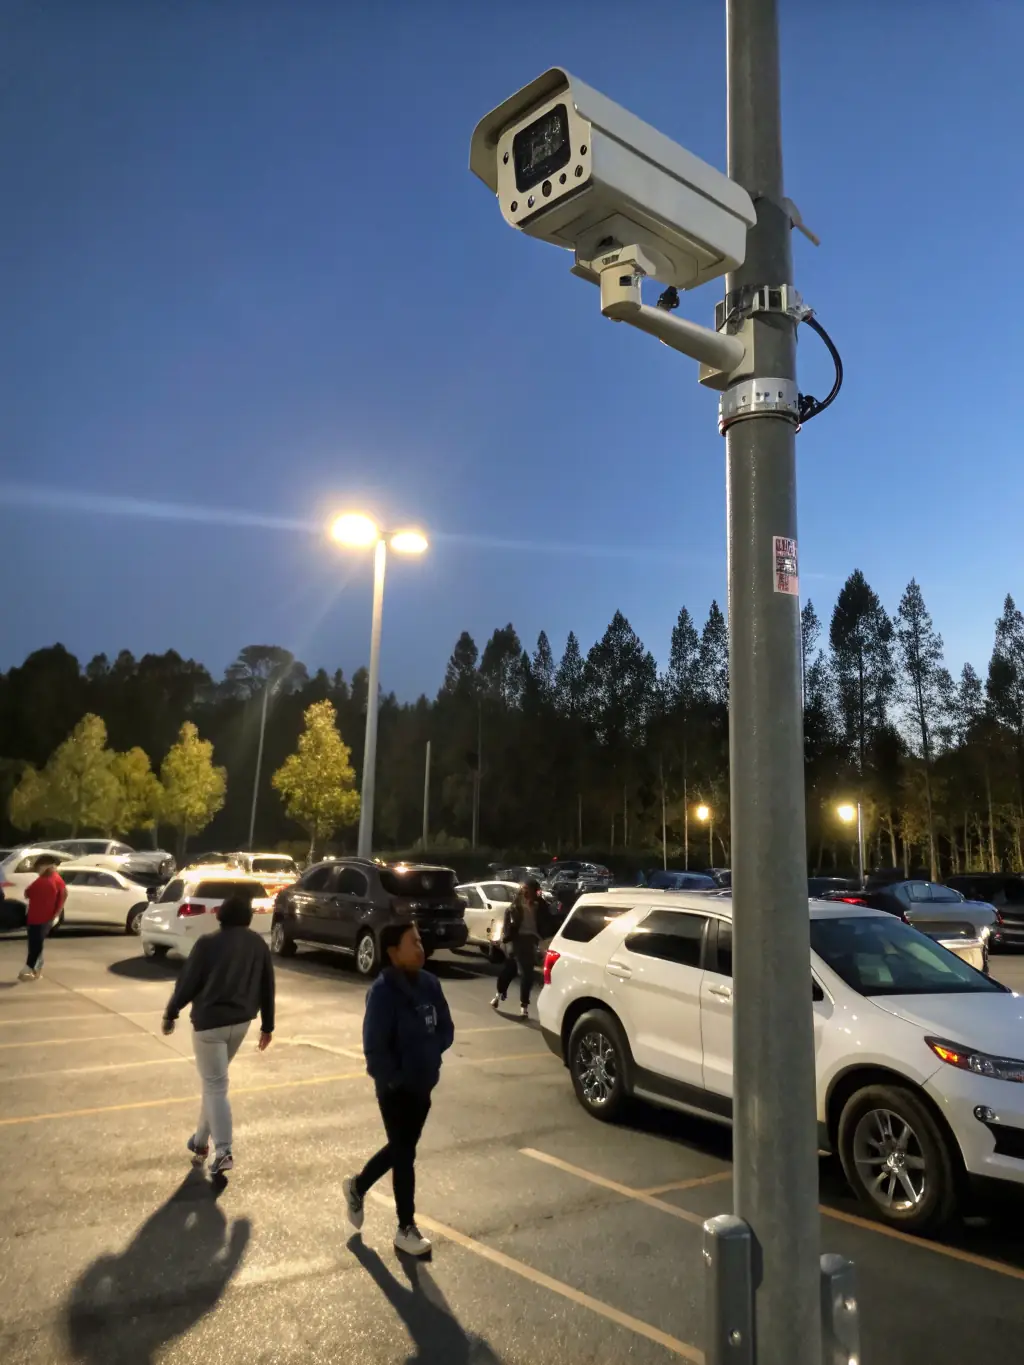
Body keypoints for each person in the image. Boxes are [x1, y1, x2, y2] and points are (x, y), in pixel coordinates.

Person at [343, 922, 454, 1258]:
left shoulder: (430, 984)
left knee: (401, 1149)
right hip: (395, 1089)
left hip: (424, 1083)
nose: (420, 948)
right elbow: (374, 1047)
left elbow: (446, 1028)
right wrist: (394, 1078)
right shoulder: (383, 993)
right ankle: (406, 1227)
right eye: (412, 943)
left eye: (420, 941)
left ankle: (358, 1186)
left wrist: (432, 1055)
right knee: (405, 1155)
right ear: (393, 952)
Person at [161, 895, 275, 1177]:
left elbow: (187, 982)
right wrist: (267, 1026)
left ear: (221, 914)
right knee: (214, 1085)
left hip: (210, 1024)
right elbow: (267, 985)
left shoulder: (208, 943)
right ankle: (200, 1142)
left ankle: (223, 1150)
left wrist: (171, 1012)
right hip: (241, 1023)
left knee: (215, 1085)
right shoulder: (258, 944)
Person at [491, 877, 552, 1018]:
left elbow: (547, 921)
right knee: (519, 971)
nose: (526, 893)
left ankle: (517, 1002)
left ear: (535, 891)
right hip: (517, 939)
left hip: (532, 940)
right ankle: (504, 996)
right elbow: (508, 921)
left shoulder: (541, 906)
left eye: (529, 890)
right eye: (524, 889)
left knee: (519, 971)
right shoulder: (516, 905)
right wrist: (506, 938)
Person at [19, 855, 67, 981]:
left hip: (43, 918)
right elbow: (28, 893)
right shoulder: (46, 879)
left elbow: (62, 896)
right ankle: (36, 971)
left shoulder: (52, 880)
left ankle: (29, 968)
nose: (39, 870)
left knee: (36, 944)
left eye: (40, 867)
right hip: (36, 917)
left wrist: (56, 913)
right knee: (35, 944)